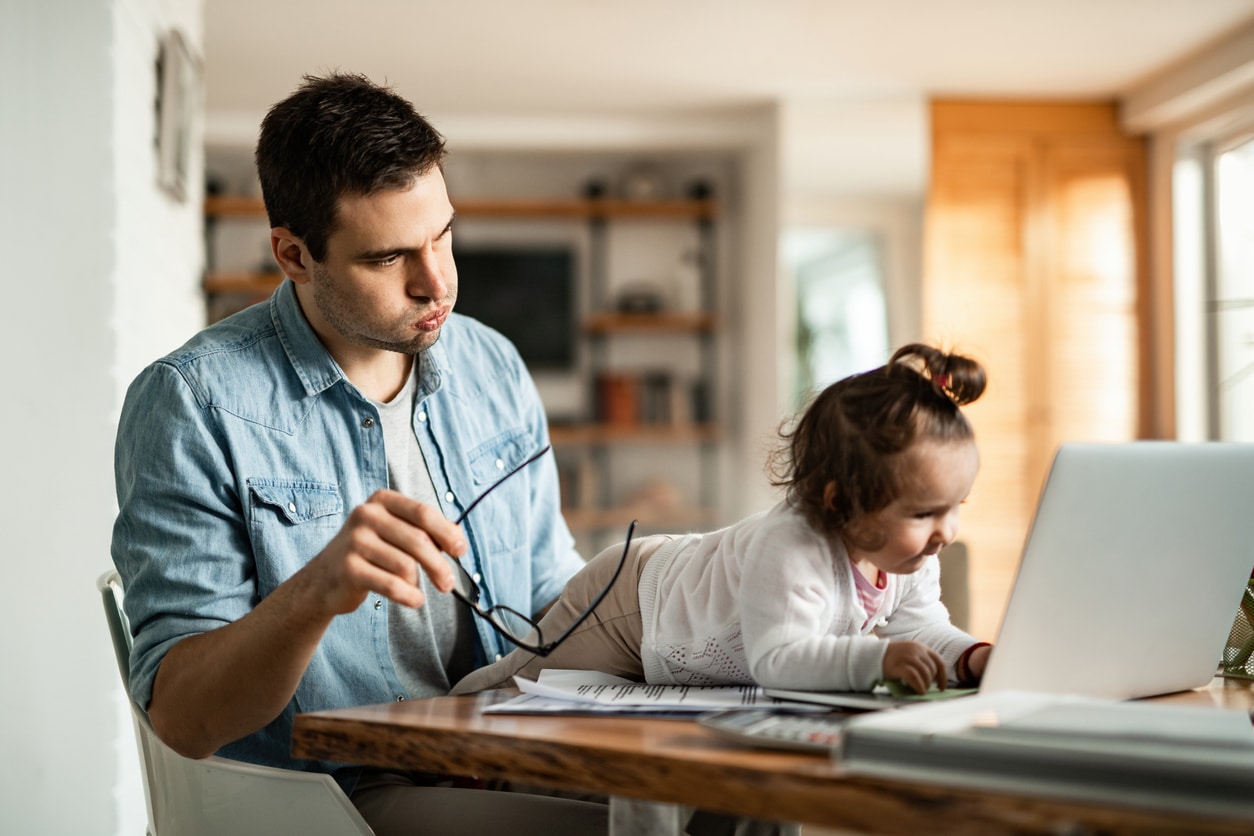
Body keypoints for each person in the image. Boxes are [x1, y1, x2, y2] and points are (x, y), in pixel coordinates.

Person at [111, 72, 607, 836]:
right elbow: (182, 718)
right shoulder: (193, 403)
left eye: (442, 235)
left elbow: (550, 594)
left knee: (720, 813)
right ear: (294, 255)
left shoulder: (494, 366)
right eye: (387, 259)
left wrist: (666, 599)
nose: (435, 281)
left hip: (503, 759)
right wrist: (312, 594)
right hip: (327, 797)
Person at [453, 343, 994, 697]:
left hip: (673, 642)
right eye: (925, 513)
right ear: (840, 501)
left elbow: (922, 628)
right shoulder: (793, 545)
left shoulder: (908, 557)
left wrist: (970, 658)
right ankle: (433, 733)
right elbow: (779, 659)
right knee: (518, 683)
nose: (945, 533)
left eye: (955, 508)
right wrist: (877, 660)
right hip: (634, 604)